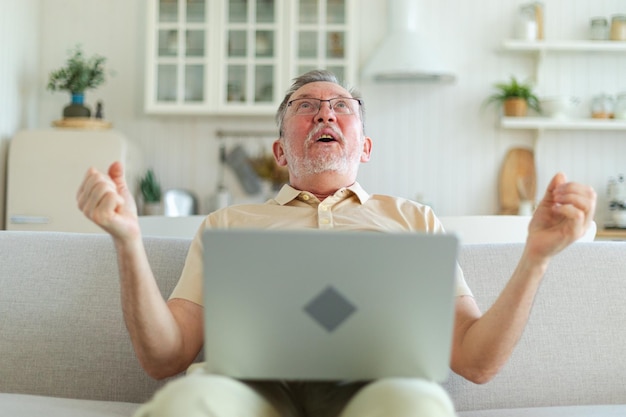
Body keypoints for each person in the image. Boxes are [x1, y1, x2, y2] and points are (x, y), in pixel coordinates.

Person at [77, 70, 597, 417]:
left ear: (364, 146)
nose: (325, 114)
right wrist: (127, 241)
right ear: (280, 150)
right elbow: (164, 357)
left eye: (340, 106)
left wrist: (535, 259)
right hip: (247, 388)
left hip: (375, 385)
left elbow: (477, 362)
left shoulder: (414, 219)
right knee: (183, 402)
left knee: (417, 406)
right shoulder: (226, 222)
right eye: (307, 106)